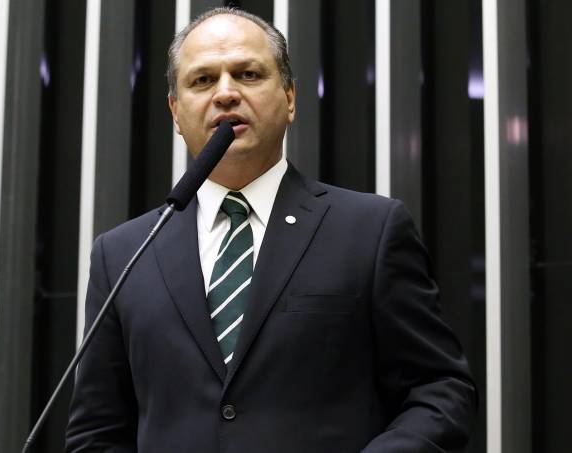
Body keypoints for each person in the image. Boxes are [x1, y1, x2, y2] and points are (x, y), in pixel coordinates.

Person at [66, 7, 476, 452]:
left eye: (247, 74)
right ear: (175, 112)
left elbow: (440, 389)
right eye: (202, 80)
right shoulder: (123, 253)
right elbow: (97, 432)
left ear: (290, 97)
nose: (225, 93)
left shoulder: (370, 231)